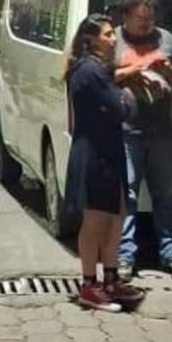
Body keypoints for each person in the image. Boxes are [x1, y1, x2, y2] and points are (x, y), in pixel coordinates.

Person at [59, 15, 143, 312]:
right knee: (94, 221)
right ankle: (89, 285)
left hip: (110, 150)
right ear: (91, 38)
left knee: (115, 216)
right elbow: (123, 108)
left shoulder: (100, 70)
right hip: (93, 154)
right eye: (107, 34)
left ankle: (110, 279)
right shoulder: (88, 72)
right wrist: (127, 94)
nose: (113, 39)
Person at [112, 0, 172, 282]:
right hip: (126, 132)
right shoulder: (115, 41)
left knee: (164, 194)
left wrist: (167, 69)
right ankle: (124, 256)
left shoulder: (165, 39)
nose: (146, 24)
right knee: (128, 194)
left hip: (161, 131)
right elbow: (103, 75)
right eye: (140, 19)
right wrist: (133, 70)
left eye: (150, 18)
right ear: (126, 16)